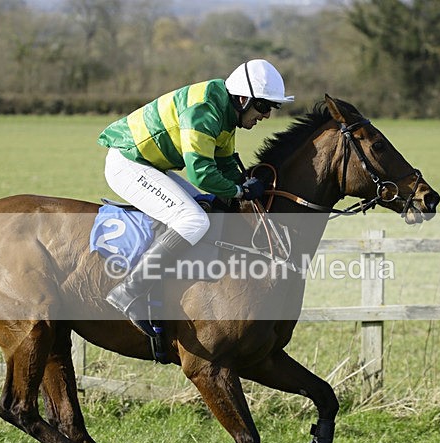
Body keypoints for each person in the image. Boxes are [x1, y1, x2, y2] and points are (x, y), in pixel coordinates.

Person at [97, 59, 295, 336]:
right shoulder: (205, 110)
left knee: (207, 207)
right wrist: (239, 191)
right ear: (243, 99)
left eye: (272, 108)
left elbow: (224, 164)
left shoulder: (225, 113)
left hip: (149, 164)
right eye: (263, 106)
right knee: (193, 220)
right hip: (128, 163)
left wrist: (245, 184)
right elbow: (201, 173)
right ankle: (130, 291)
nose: (266, 116)